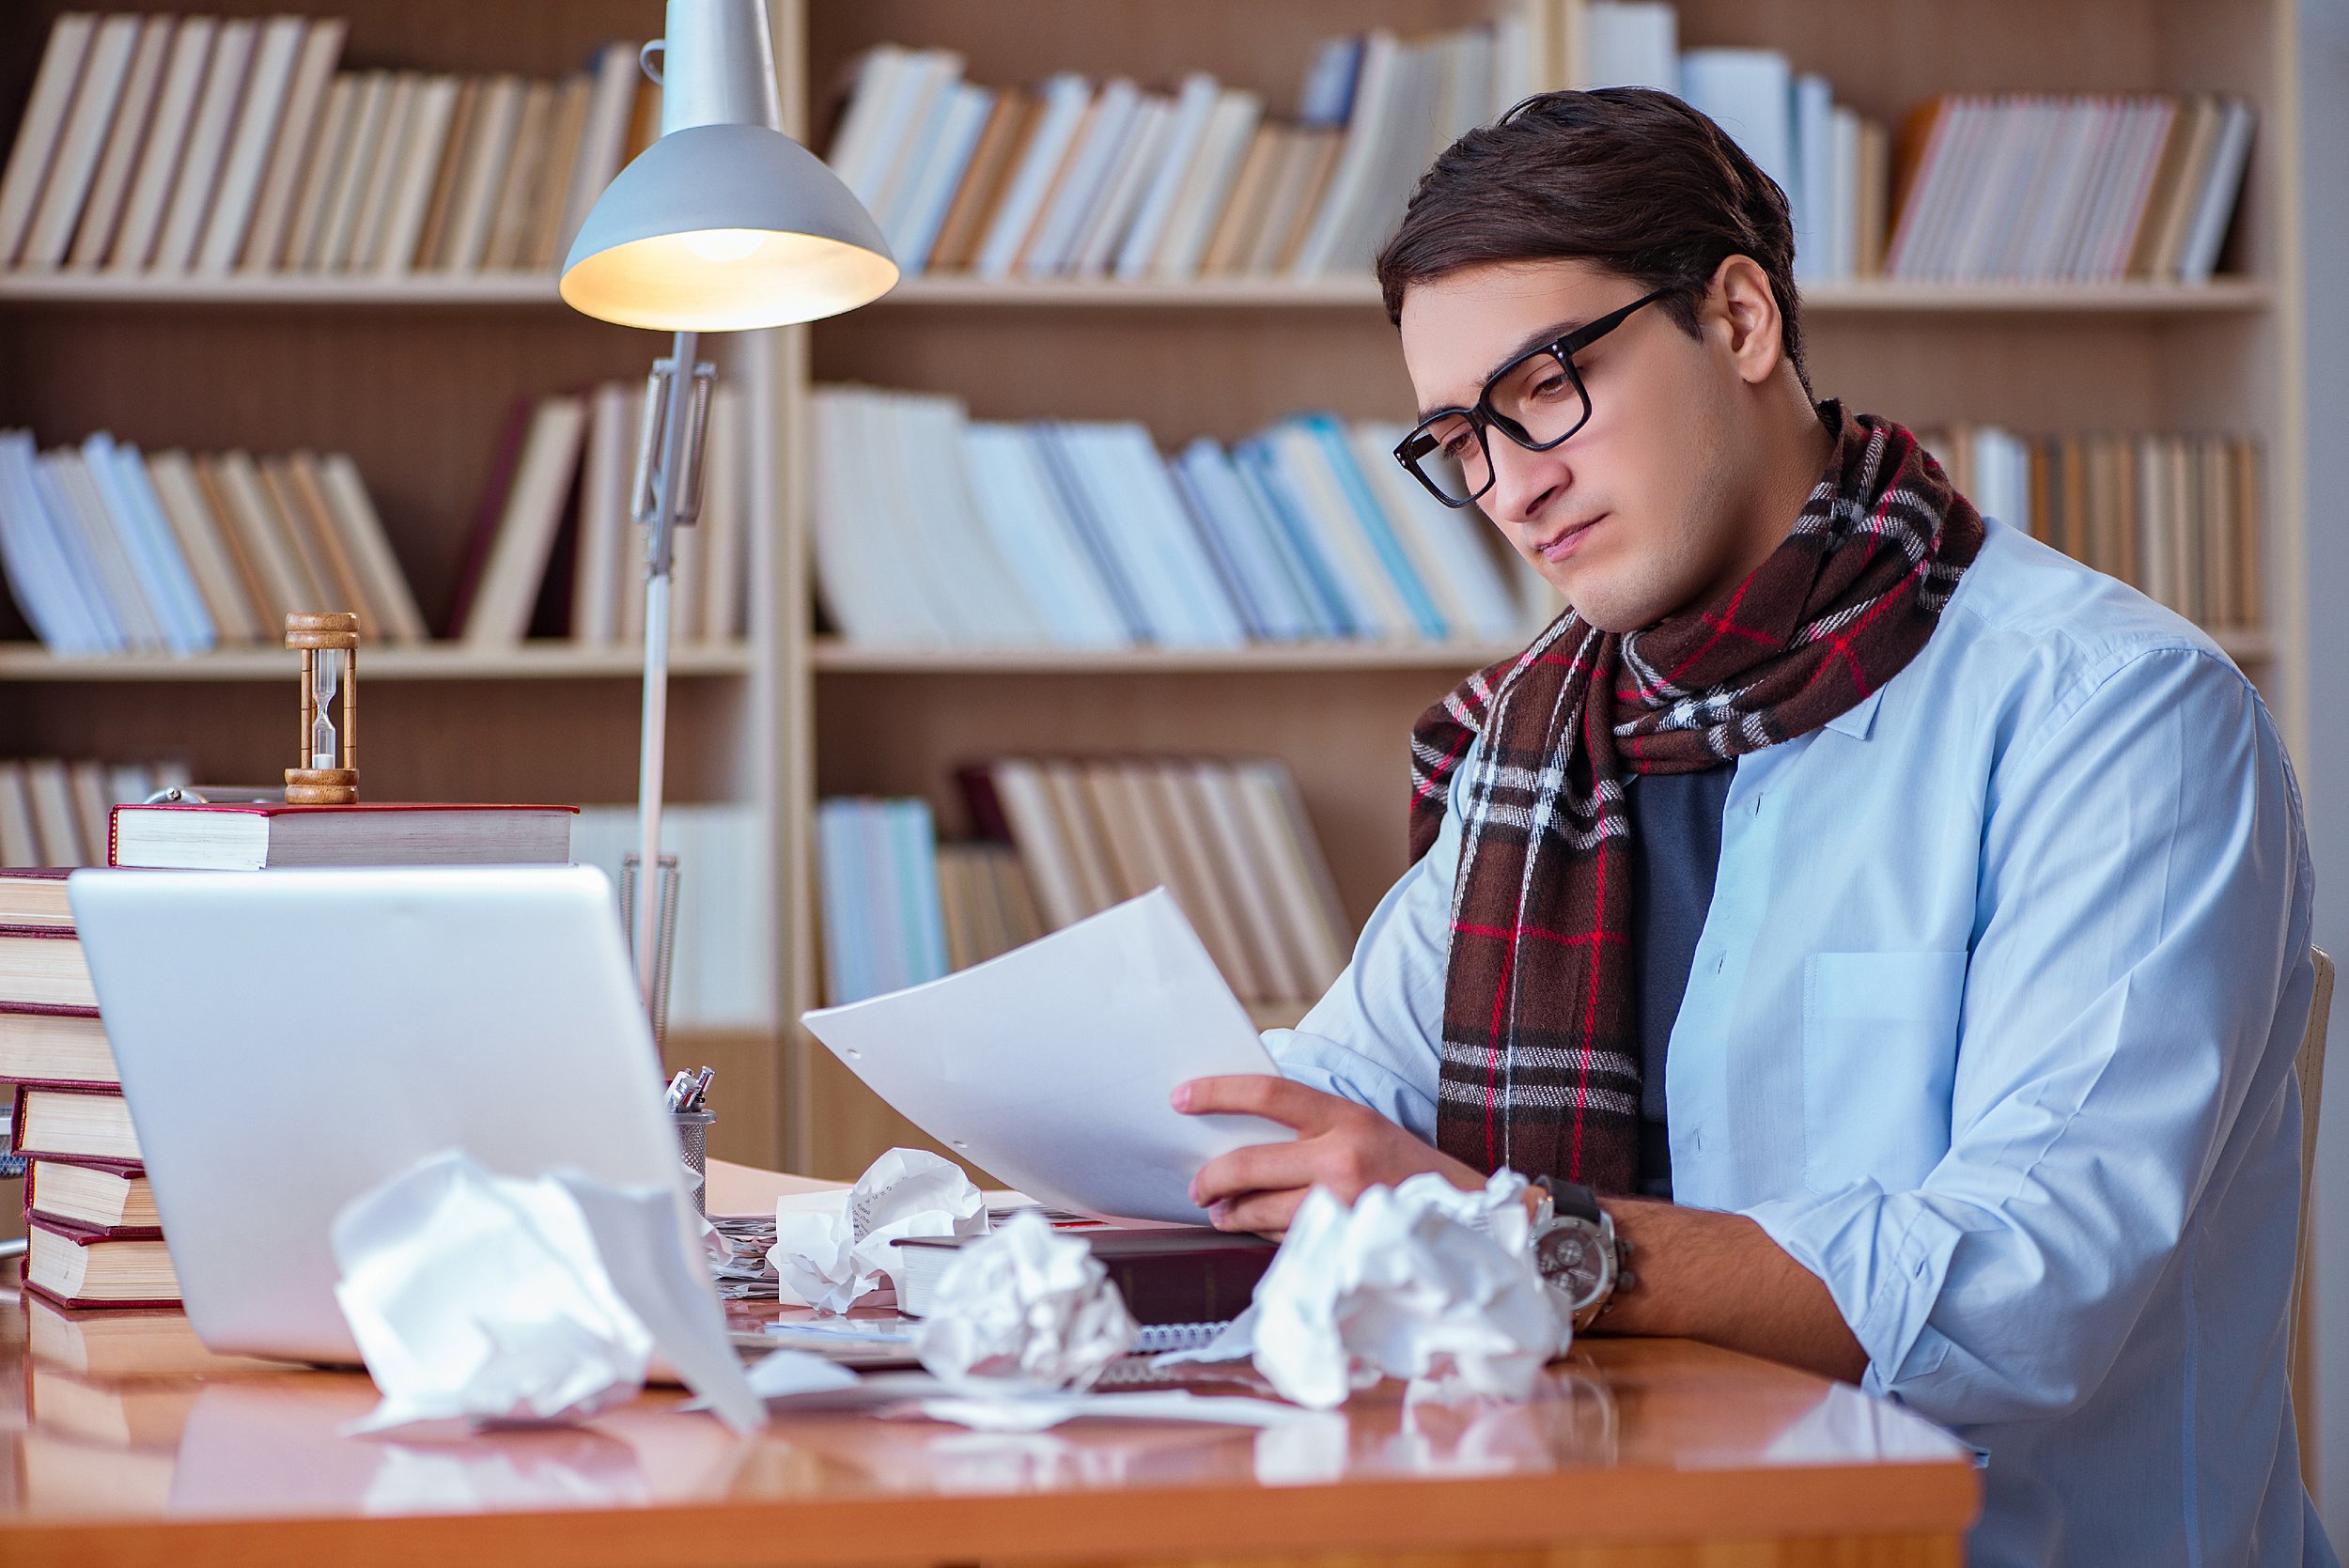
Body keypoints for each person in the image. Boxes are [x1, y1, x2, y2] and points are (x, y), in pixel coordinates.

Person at [1174, 88, 2328, 1568]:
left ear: (1737, 318)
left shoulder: (2120, 715)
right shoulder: (1539, 741)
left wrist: (1520, 1236)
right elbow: (1334, 1095)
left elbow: (2027, 1288)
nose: (1513, 485)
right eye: (1459, 439)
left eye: (1543, 389)